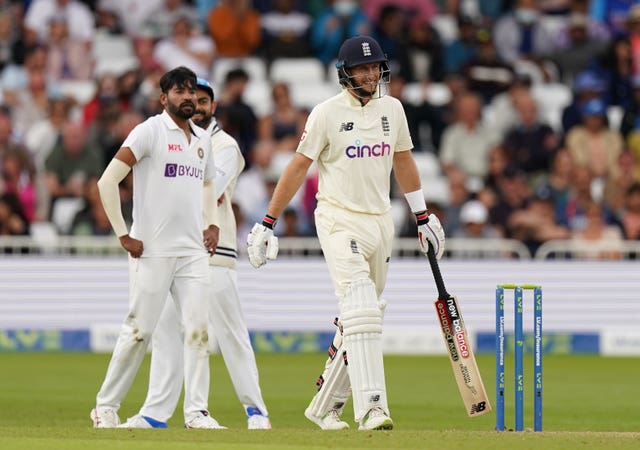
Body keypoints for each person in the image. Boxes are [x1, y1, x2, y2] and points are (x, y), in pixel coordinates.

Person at [246, 35, 445, 431]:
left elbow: (402, 160)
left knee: (361, 318)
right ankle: (372, 408)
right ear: (345, 73)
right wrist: (267, 221)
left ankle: (324, 406)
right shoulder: (326, 113)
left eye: (375, 67)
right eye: (363, 69)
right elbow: (298, 167)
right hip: (338, 219)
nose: (371, 75)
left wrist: (422, 215)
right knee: (362, 309)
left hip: (380, 220)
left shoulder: (394, 109)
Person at [117, 77, 271, 430]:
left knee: (229, 334)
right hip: (173, 250)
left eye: (203, 100)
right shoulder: (176, 139)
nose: (197, 106)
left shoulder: (224, 145)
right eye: (191, 98)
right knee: (167, 332)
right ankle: (156, 411)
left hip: (214, 251)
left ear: (212, 106)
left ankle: (256, 411)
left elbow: (208, 192)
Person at [89, 66, 221, 429]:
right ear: (164, 98)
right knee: (139, 331)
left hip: (193, 251)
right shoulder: (149, 130)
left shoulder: (202, 139)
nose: (189, 98)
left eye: (193, 91)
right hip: (152, 251)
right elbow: (108, 181)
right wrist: (122, 233)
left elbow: (209, 185)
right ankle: (105, 406)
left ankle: (197, 413)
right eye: (180, 91)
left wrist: (212, 223)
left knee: (198, 331)